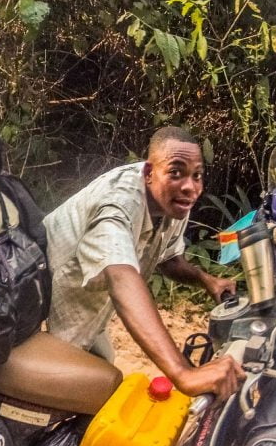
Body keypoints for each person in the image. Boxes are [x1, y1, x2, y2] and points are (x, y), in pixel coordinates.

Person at [44, 126, 245, 400]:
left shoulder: (172, 198)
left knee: (103, 378)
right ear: (149, 173)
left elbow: (168, 258)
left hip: (90, 307)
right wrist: (183, 373)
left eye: (196, 175)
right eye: (176, 172)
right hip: (44, 310)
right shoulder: (117, 205)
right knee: (82, 391)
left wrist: (206, 280)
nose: (190, 186)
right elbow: (122, 278)